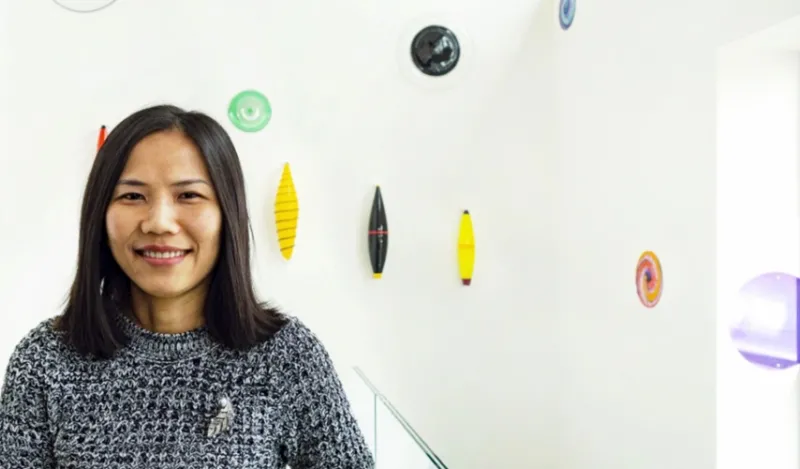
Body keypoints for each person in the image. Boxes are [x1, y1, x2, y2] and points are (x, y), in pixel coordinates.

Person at [0, 104, 375, 468]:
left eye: (189, 195)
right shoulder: (44, 361)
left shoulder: (286, 357)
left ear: (227, 214)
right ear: (100, 214)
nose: (159, 222)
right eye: (132, 196)